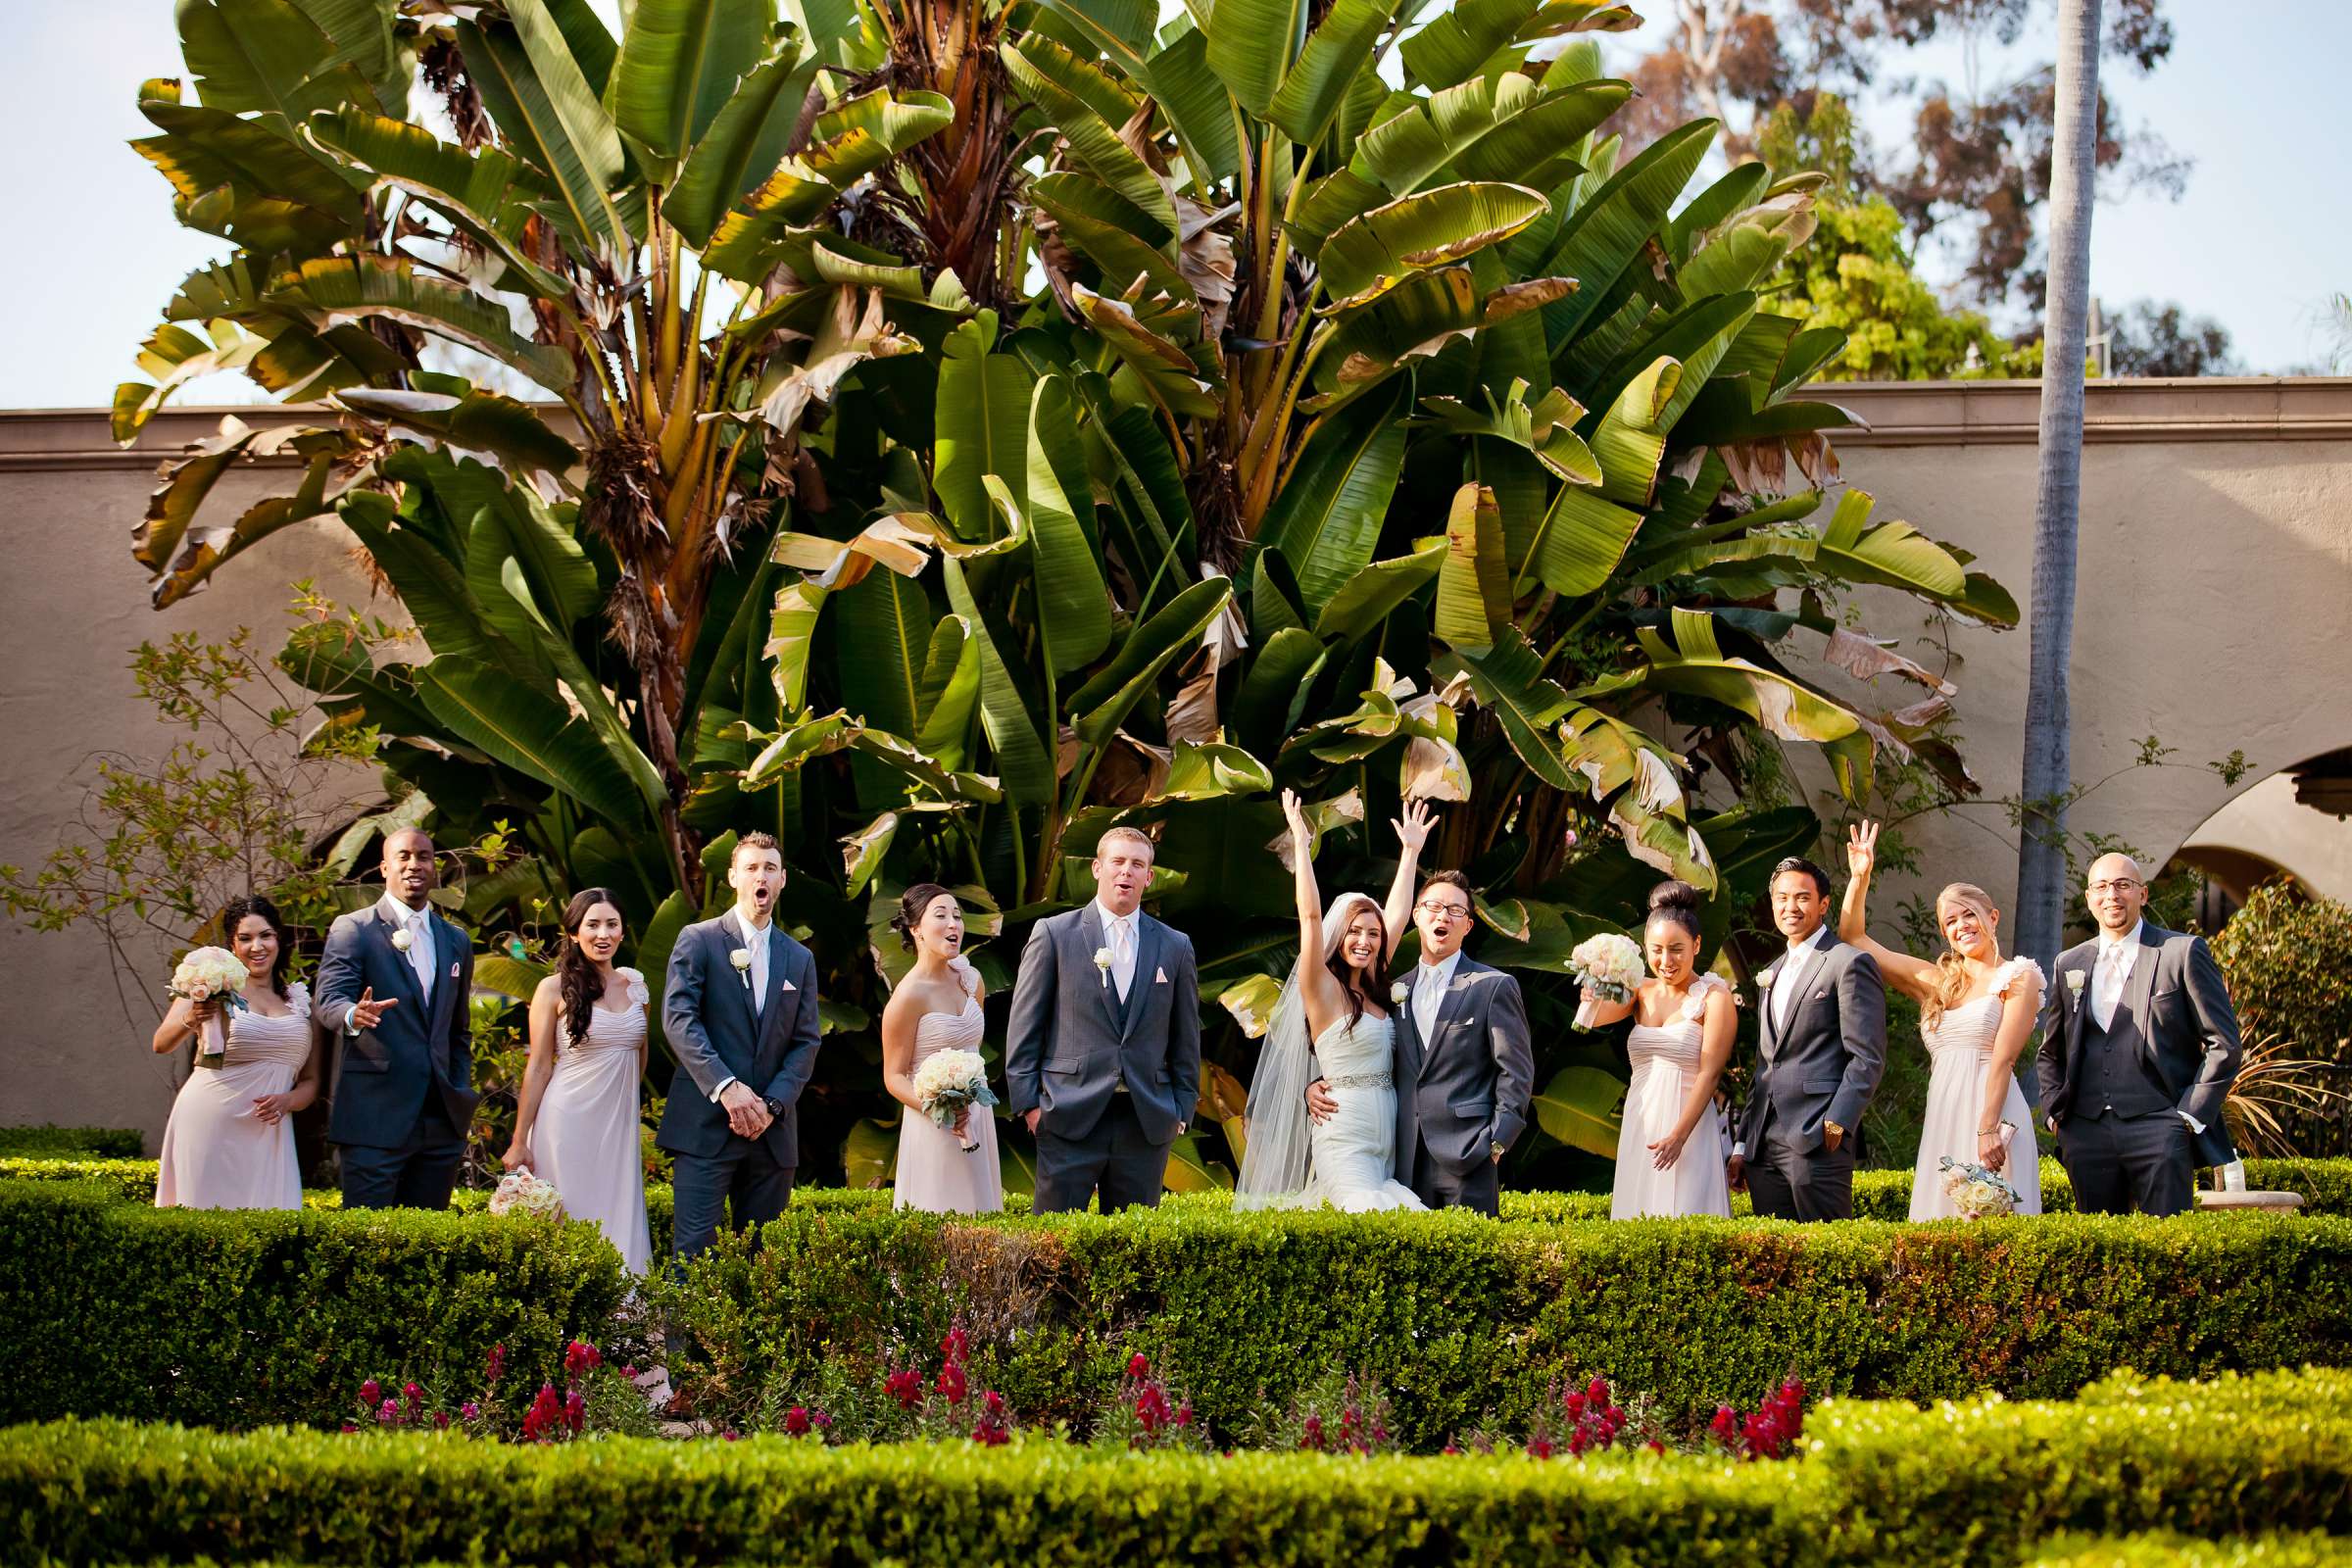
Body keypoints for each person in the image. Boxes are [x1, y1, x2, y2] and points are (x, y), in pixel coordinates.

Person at [1234, 794, 1434, 1210]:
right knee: (1370, 1213)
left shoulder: (1376, 985)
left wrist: (1411, 851)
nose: (1365, 941)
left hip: (1386, 1131)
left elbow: (1394, 914)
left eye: (1372, 934)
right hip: (1343, 1128)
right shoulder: (1320, 988)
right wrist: (1302, 849)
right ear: (1338, 937)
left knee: (1387, 1210)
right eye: (1354, 932)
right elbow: (1309, 916)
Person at [1838, 821, 2043, 1220]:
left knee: (1992, 1228)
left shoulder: (2019, 977)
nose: (1962, 925)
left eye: (1970, 915)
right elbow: (1853, 938)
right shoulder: (1936, 983)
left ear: (1993, 917)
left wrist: (1987, 1131)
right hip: (1945, 1110)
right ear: (1945, 934)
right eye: (1951, 921)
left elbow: (2003, 1060)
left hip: (1993, 1113)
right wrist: (1859, 877)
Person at [1307, 865, 1535, 1217]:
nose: (1443, 916)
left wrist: (1497, 1141)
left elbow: (1516, 1072)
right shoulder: (1393, 990)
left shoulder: (1493, 986)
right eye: (1433, 907)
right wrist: (1317, 1085)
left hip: (1468, 1155)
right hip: (1404, 1157)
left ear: (1468, 925)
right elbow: (1365, 1052)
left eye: (1456, 910)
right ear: (1417, 916)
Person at [1004, 825, 1201, 1215]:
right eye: (1118, 861)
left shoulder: (1175, 945)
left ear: (1150, 876)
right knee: (1054, 1246)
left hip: (1145, 1117)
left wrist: (1181, 1108)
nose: (1126, 871)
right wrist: (1030, 1106)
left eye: (1137, 864)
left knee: (1132, 1255)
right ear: (1097, 868)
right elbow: (1025, 1024)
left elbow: (1186, 1034)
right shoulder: (1055, 934)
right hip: (1068, 1113)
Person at [2035, 852, 2242, 1216]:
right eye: (2101, 886)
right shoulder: (2069, 963)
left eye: (2122, 885)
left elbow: (2222, 1043)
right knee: (2098, 1254)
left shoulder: (2181, 952)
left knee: (2167, 1250)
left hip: (2161, 1128)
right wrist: (2055, 1115)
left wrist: (2189, 1117)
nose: (2111, 895)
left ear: (2142, 895)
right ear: (2089, 898)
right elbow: (2052, 1052)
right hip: (2086, 1132)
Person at [658, 832, 823, 1259]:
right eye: (751, 868)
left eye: (769, 868)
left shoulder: (799, 959)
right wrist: (727, 1088)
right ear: (733, 877)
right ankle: (682, 1333)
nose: (760, 876)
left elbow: (806, 1042)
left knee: (764, 1264)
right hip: (705, 1129)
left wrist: (771, 1107)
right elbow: (679, 1019)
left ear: (782, 879)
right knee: (693, 1258)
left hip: (771, 1134)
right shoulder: (699, 939)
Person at [314, 829, 478, 1210]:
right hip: (375, 1116)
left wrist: (460, 1086)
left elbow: (458, 1029)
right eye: (403, 856)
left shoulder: (456, 940)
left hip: (440, 1120)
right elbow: (328, 1001)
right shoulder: (354, 928)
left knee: (428, 1245)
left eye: (423, 856)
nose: (413, 864)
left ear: (434, 868)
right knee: (367, 1243)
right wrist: (355, 1014)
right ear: (385, 866)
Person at [503, 889, 654, 1276]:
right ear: (573, 932)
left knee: (618, 1219)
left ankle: (624, 1331)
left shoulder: (636, 986)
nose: (602, 934)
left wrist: (627, 1111)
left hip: (618, 1127)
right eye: (592, 924)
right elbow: (537, 1067)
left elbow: (640, 1052)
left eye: (611, 924)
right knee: (571, 1220)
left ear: (622, 932)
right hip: (566, 1123)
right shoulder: (551, 989)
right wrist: (520, 1140)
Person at [1730, 856, 1886, 1222]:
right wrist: (1742, 1143)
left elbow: (1867, 1056)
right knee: (1776, 1263)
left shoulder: (1847, 962)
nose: (1790, 907)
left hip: (1819, 1136)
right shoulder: (1771, 972)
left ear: (1824, 904)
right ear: (1772, 905)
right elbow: (1764, 1067)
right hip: (1763, 1146)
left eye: (1802, 897)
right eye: (1781, 898)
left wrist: (1839, 1119)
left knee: (1828, 1256)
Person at [1579, 881, 1735, 1219]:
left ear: (1696, 944)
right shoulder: (1640, 990)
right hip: (1642, 1121)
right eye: (1657, 949)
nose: (1666, 960)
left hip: (1687, 1127)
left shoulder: (1714, 996)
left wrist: (1679, 1136)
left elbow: (1710, 1074)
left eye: (1676, 949)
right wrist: (1593, 983)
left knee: (1686, 1214)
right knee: (1637, 1213)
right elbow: (1590, 1020)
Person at [153, 894, 317, 1210]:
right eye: (246, 938)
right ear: (232, 946)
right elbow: (161, 1043)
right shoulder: (211, 986)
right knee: (201, 1224)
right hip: (210, 1121)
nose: (258, 946)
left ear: (278, 940)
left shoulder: (298, 1001)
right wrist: (192, 1018)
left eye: (265, 935)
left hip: (269, 1131)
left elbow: (311, 1081)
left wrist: (288, 1101)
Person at [882, 884, 1004, 1214]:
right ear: (916, 928)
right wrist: (938, 1105)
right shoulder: (907, 997)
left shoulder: (971, 979)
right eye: (941, 916)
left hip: (976, 1116)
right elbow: (893, 1077)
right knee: (940, 1217)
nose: (954, 924)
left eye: (958, 916)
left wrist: (966, 1093)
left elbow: (972, 1051)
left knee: (981, 1219)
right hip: (932, 1122)